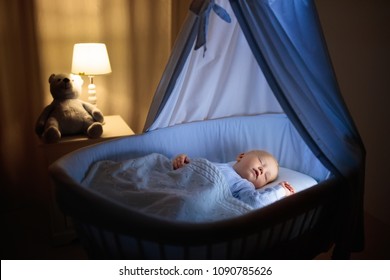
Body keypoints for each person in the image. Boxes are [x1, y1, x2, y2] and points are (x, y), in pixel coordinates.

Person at [172, 150, 295, 208]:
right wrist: (183, 160)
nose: (262, 170)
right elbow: (196, 167)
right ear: (241, 156)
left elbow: (256, 202)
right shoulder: (219, 165)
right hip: (181, 185)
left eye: (266, 176)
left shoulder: (244, 185)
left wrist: (280, 190)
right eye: (261, 162)